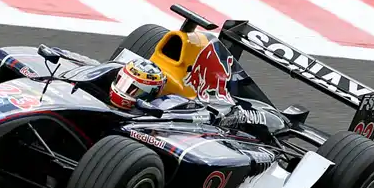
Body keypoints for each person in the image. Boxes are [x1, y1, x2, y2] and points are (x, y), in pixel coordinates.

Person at [109, 58, 270, 135]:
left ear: (148, 93)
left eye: (132, 89)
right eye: (122, 83)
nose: (123, 91)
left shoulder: (165, 106)